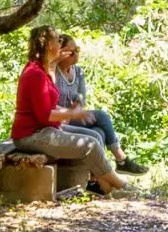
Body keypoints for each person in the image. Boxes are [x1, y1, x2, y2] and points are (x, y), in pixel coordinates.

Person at [10, 25, 126, 194]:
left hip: (43, 130)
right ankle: (120, 185)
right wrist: (73, 113)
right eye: (58, 41)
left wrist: (73, 113)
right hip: (31, 136)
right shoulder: (35, 73)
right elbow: (45, 115)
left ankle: (106, 187)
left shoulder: (41, 69)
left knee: (94, 135)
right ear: (50, 45)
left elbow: (48, 106)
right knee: (90, 144)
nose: (60, 45)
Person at [53, 36, 147, 174]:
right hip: (60, 119)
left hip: (76, 116)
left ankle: (95, 178)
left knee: (99, 132)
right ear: (61, 53)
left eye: (77, 50)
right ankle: (120, 159)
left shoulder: (78, 72)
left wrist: (78, 104)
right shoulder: (53, 72)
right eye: (72, 52)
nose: (76, 55)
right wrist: (69, 112)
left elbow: (81, 96)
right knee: (101, 117)